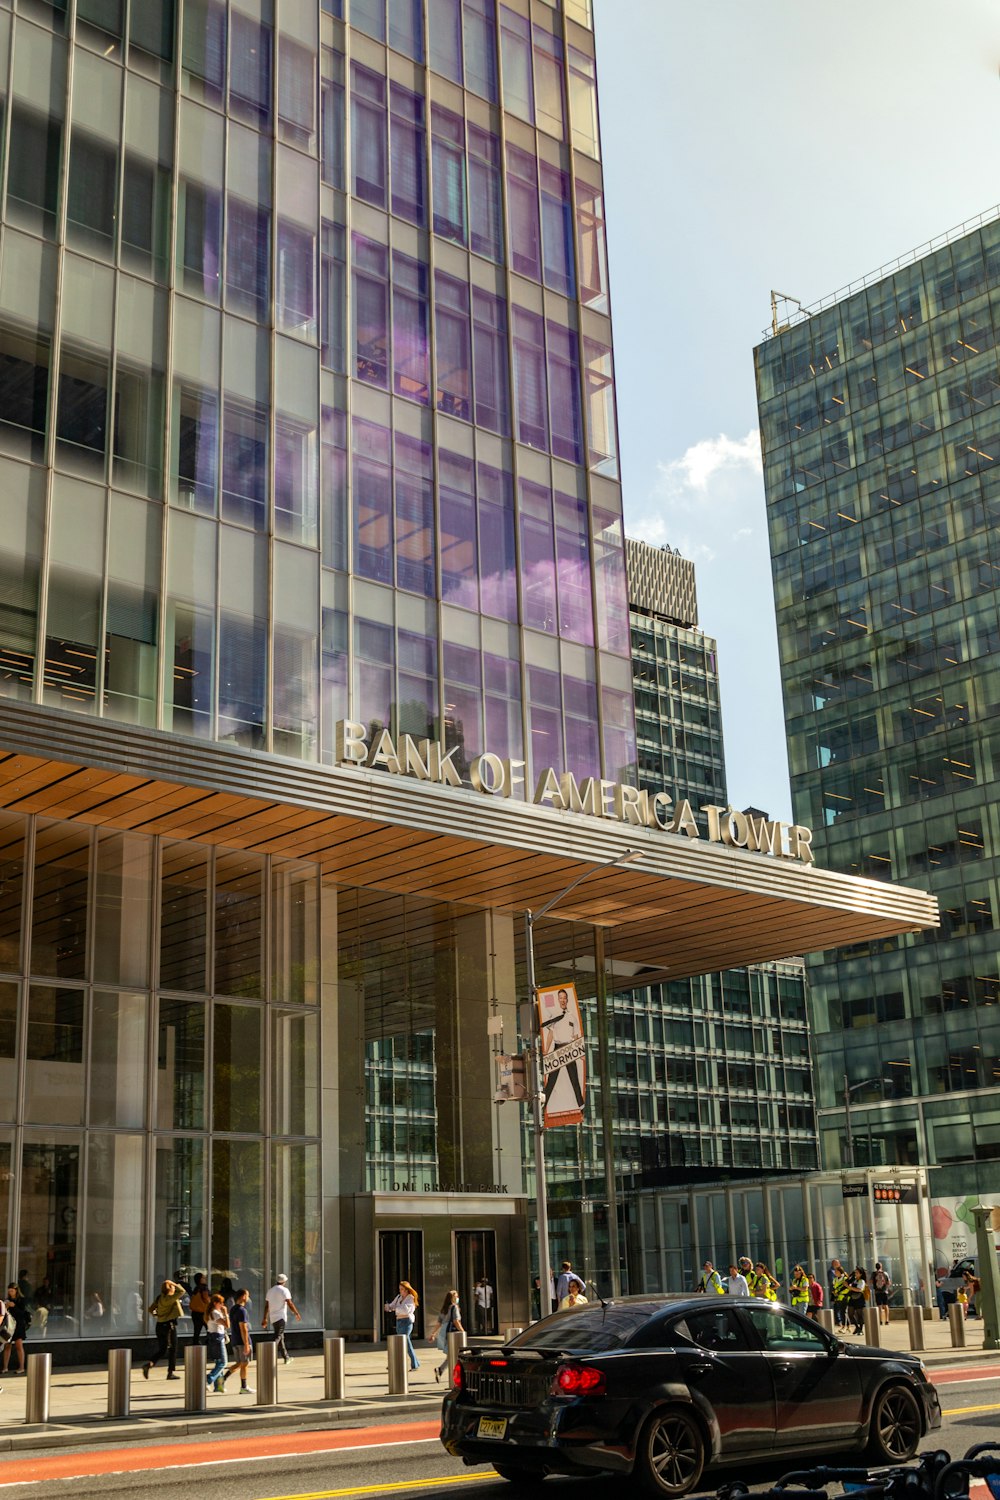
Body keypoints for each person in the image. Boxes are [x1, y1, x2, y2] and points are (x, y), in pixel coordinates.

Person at [541, 989, 585, 1115]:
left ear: (567, 999)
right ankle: (542, 1108)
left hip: (569, 1050)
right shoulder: (555, 1015)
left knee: (574, 1080)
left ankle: (581, 1107)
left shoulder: (572, 1017)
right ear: (558, 999)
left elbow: (576, 1037)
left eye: (564, 998)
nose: (563, 1000)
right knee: (551, 1082)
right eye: (560, 998)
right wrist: (546, 1049)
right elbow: (550, 1034)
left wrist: (581, 1053)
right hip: (557, 1049)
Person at [143, 1279, 185, 1379]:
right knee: (173, 1349)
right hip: (169, 1326)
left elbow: (150, 1309)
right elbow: (182, 1291)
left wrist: (157, 1314)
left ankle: (150, 1364)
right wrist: (173, 1283)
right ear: (170, 1289)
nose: (174, 1288)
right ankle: (170, 1372)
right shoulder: (171, 1298)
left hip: (160, 1325)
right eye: (173, 1287)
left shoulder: (159, 1298)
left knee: (162, 1349)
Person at [262, 1274, 301, 1364]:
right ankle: (268, 1355)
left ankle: (286, 1357)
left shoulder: (270, 1291)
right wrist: (296, 1313)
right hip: (281, 1317)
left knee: (281, 1337)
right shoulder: (284, 1290)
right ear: (284, 1281)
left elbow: (266, 1306)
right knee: (278, 1337)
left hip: (273, 1318)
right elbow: (290, 1303)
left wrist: (265, 1318)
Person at [224, 1288, 254, 1394]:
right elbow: (243, 1328)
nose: (248, 1298)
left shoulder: (233, 1309)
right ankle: (244, 1387)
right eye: (247, 1295)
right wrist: (246, 1344)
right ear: (243, 1296)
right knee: (244, 1364)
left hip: (235, 1340)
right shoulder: (242, 1310)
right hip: (242, 1341)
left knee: (240, 1363)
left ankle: (222, 1379)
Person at [385, 1280, 420, 1371]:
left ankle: (414, 1364)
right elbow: (392, 1305)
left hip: (406, 1322)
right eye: (400, 1289)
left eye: (402, 1289)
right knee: (401, 1343)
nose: (400, 1291)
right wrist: (388, 1307)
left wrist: (395, 1309)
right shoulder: (399, 1297)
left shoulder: (410, 1298)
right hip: (399, 1321)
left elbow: (405, 1310)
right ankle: (414, 1363)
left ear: (407, 1290)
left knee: (405, 1343)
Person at [431, 1289, 464, 1383]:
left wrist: (433, 1333)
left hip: (444, 1332)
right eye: (456, 1296)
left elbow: (439, 1322)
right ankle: (452, 1373)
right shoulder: (454, 1308)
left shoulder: (444, 1309)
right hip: (453, 1332)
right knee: (455, 1354)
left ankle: (441, 1370)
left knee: (451, 1354)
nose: (457, 1298)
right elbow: (456, 1321)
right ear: (453, 1298)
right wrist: (463, 1331)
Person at [205, 1293, 230, 1392]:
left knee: (218, 1362)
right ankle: (208, 1379)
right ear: (215, 1303)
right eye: (221, 1303)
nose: (222, 1305)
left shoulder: (210, 1312)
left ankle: (219, 1386)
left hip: (213, 1338)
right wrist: (225, 1313)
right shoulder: (215, 1313)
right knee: (223, 1363)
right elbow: (227, 1325)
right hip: (218, 1338)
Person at [2, 1285, 29, 1374]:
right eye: (9, 1291)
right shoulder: (7, 1300)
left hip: (18, 1326)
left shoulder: (21, 1300)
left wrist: (14, 1306)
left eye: (12, 1291)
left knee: (19, 1346)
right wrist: (6, 1306)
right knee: (7, 1346)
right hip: (9, 1326)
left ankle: (21, 1367)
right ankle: (5, 1367)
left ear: (16, 1291)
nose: (10, 1293)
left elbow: (22, 1313)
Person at [188, 1273, 211, 1342]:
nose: (205, 1279)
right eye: (203, 1278)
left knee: (197, 1331)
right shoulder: (204, 1288)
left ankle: (195, 1345)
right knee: (210, 1330)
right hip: (203, 1312)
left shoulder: (195, 1289)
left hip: (195, 1313)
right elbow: (207, 1299)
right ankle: (209, 1345)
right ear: (200, 1279)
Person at [847, 1267, 867, 1334]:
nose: (855, 1274)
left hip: (859, 1298)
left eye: (857, 1273)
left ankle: (860, 1329)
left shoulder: (862, 1281)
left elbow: (859, 1289)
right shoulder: (853, 1280)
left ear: (861, 1274)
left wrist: (849, 1287)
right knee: (850, 1314)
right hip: (852, 1298)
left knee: (859, 1315)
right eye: (855, 1272)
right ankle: (857, 1327)